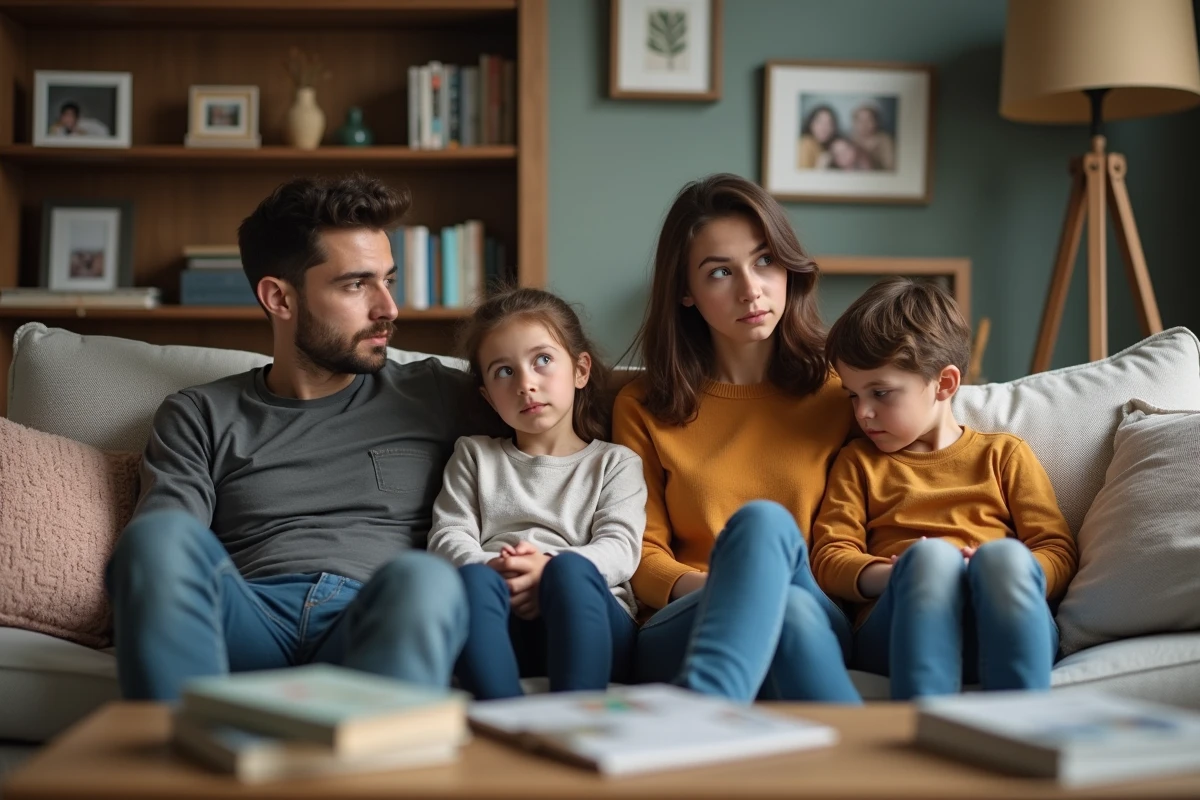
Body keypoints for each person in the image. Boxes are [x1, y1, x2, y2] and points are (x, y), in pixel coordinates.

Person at [105, 174, 501, 701]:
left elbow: (566, 419)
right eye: (356, 285)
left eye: (389, 280)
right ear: (279, 298)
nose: (388, 308)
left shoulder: (437, 393)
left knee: (425, 579)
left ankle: (369, 751)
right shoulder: (200, 414)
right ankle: (183, 746)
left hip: (375, 618)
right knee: (156, 538)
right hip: (249, 618)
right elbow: (164, 556)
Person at [612, 173, 861, 703]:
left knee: (776, 555)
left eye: (765, 260)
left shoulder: (843, 395)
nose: (751, 289)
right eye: (721, 272)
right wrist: (747, 588)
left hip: (816, 606)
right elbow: (640, 555)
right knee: (782, 593)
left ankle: (705, 716)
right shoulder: (643, 405)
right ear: (685, 291)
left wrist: (762, 585)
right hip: (687, 616)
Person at [811, 277, 1078, 700]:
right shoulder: (858, 463)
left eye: (880, 393)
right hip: (898, 628)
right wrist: (894, 574)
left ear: (945, 384)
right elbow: (830, 557)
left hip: (999, 621)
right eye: (853, 396)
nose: (863, 413)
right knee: (930, 559)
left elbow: (1056, 550)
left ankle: (1023, 721)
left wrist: (993, 570)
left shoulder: (1003, 455)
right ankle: (928, 717)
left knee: (1005, 558)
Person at [429, 287, 646, 699]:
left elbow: (621, 548)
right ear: (488, 397)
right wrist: (504, 571)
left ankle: (577, 718)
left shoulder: (615, 463)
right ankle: (503, 717)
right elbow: (448, 537)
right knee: (472, 580)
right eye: (504, 372)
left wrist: (546, 569)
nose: (526, 385)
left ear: (580, 370)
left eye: (542, 360)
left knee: (570, 572)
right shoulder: (474, 456)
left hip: (594, 620)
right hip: (502, 610)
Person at [850, 103, 895, 171]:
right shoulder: (849, 139)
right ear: (854, 123)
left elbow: (891, 167)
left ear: (876, 122)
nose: (864, 124)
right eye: (860, 121)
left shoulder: (885, 140)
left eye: (869, 120)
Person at [797, 105, 838, 170]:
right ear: (811, 124)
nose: (824, 128)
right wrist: (820, 167)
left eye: (829, 123)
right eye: (820, 122)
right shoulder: (805, 143)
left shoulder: (826, 147)